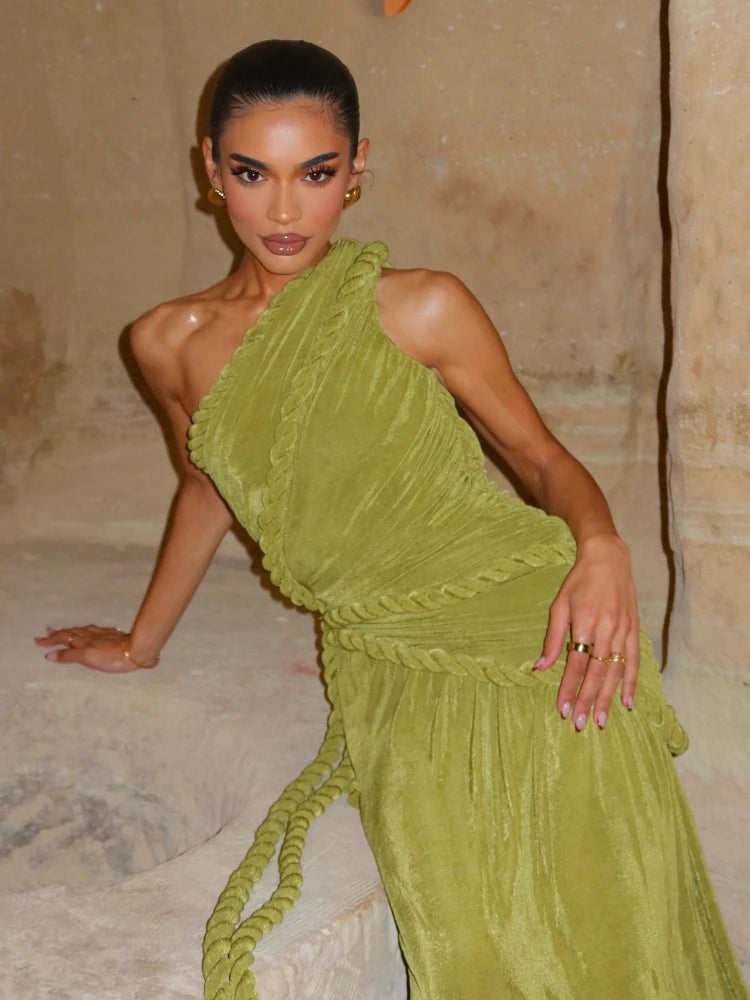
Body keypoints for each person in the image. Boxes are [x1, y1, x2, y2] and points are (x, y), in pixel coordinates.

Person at [35, 39, 747, 1000]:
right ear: (211, 170)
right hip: (383, 638)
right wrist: (141, 642)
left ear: (357, 171)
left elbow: (540, 461)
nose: (285, 210)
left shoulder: (420, 307)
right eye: (253, 173)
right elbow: (207, 485)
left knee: (578, 753)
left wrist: (603, 547)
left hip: (517, 594)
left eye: (316, 174)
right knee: (458, 877)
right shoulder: (165, 342)